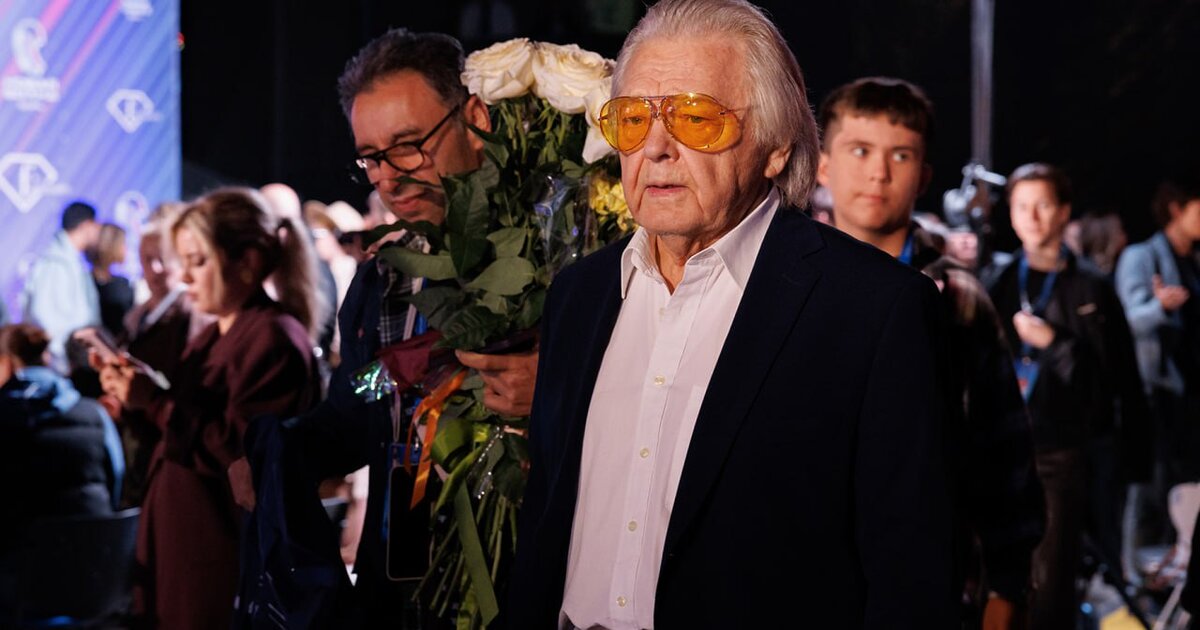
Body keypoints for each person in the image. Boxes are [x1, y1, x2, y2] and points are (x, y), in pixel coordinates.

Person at [507, 1, 954, 627]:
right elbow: (546, 526)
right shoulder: (578, 295)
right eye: (632, 119)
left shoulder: (875, 310)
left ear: (776, 148)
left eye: (694, 117)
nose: (654, 148)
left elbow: (910, 577)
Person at [288, 28, 537, 626]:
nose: (389, 178)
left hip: (522, 584)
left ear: (475, 119)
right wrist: (281, 449)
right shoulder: (385, 278)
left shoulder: (551, 259)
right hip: (402, 586)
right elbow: (362, 400)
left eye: (408, 146)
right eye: (371, 157)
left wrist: (554, 388)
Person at [815, 76, 1043, 626]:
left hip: (931, 580)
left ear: (923, 176)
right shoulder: (794, 285)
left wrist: (1007, 586)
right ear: (822, 166)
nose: (878, 172)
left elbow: (1003, 447)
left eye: (901, 155)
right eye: (860, 150)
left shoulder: (957, 297)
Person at [97, 188, 323, 629]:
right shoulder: (213, 335)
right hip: (180, 546)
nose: (184, 277)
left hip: (219, 556)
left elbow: (240, 451)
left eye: (197, 262)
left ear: (247, 261)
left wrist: (154, 401)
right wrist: (132, 397)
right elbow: (178, 432)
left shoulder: (272, 339)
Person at [981, 163, 1149, 629]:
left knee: (1051, 581)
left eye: (1042, 205)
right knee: (996, 580)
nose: (1031, 217)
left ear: (1064, 212)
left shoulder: (1091, 286)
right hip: (999, 449)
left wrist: (1056, 345)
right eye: (1021, 206)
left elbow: (1116, 379)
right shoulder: (996, 280)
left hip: (1062, 452)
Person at [1115, 173, 1200, 569]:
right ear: (1176, 209)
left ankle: (1175, 571)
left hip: (1187, 392)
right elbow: (1126, 320)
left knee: (1183, 489)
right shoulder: (1142, 256)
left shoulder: (1193, 261)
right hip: (1153, 391)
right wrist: (1160, 307)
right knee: (1148, 488)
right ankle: (1134, 575)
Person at [20, 201, 102, 371]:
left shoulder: (70, 261)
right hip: (64, 364)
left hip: (74, 360)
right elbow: (43, 315)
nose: (99, 233)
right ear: (87, 225)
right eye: (96, 226)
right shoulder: (55, 264)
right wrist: (62, 360)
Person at [88, 222, 136, 338]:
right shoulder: (121, 287)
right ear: (114, 247)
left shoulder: (86, 281)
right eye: (124, 243)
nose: (126, 249)